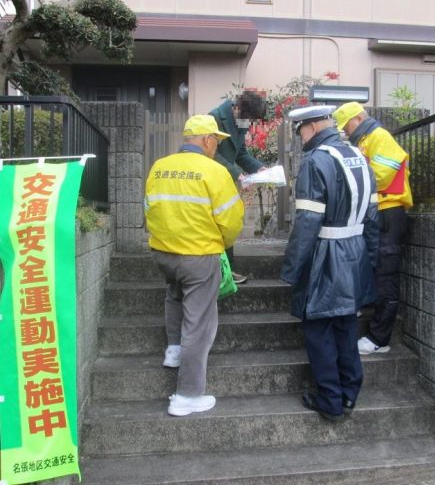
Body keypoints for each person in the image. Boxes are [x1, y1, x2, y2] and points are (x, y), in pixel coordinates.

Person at [280, 105, 379, 422]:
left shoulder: (316, 161)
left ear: (308, 128)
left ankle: (330, 401)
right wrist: (370, 259)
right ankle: (349, 395)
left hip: (326, 255)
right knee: (346, 327)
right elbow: (373, 216)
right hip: (355, 252)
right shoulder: (358, 158)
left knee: (318, 329)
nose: (301, 139)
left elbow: (308, 222)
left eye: (301, 133)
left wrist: (292, 270)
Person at [144, 114, 244, 417]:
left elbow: (149, 209)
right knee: (198, 322)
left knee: (174, 295)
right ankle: (187, 395)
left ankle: (174, 350)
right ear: (207, 140)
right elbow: (231, 221)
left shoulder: (159, 167)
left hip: (163, 253)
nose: (216, 146)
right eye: (215, 141)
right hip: (199, 256)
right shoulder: (215, 171)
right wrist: (220, 244)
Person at [333, 102, 413, 355]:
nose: (345, 131)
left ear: (357, 119)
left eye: (346, 125)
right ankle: (374, 328)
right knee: (372, 265)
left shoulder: (380, 136)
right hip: (377, 211)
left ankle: (380, 338)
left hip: (388, 211)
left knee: (386, 273)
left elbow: (383, 174)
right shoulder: (364, 140)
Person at [210, 90, 267, 284]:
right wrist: (237, 173)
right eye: (250, 118)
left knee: (227, 226)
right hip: (211, 181)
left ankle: (227, 271)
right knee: (214, 227)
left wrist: (259, 168)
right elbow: (211, 153)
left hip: (226, 183)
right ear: (238, 108)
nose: (250, 124)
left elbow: (241, 153)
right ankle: (217, 273)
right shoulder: (214, 118)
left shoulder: (240, 122)